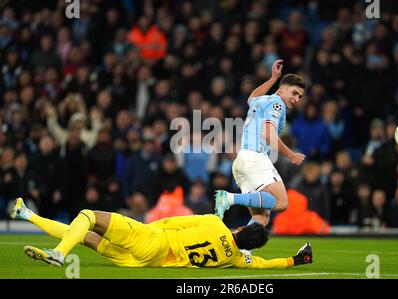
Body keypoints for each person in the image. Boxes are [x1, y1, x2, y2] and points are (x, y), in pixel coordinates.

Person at [10, 198, 312, 269]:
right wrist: (297, 261)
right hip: (147, 262)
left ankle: (60, 254)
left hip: (151, 240)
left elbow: (172, 222)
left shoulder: (213, 222)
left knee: (87, 217)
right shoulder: (235, 258)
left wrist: (141, 231)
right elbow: (263, 265)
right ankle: (27, 214)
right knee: (86, 235)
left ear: (242, 228)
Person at [214, 59, 306, 228]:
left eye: (299, 96)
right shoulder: (277, 104)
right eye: (293, 93)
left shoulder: (261, 101)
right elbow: (268, 134)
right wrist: (291, 155)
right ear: (282, 89)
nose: (296, 99)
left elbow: (252, 97)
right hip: (255, 158)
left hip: (242, 161)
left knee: (261, 218)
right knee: (281, 202)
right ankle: (229, 198)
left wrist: (273, 78)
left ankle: (242, 250)